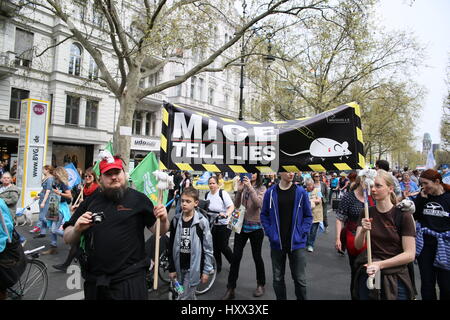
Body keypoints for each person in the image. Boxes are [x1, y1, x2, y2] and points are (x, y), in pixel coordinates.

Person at [63, 154, 169, 300]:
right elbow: (67, 237)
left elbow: (159, 230)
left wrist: (163, 220)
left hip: (130, 280)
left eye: (117, 172)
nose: (114, 177)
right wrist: (76, 229)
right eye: (108, 174)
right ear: (100, 179)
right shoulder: (90, 202)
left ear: (124, 174)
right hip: (96, 282)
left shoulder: (139, 199)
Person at [354, 169, 416, 300]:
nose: (373, 190)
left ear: (390, 188)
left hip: (396, 277)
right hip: (371, 273)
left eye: (378, 185)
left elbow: (410, 254)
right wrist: (363, 231)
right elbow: (358, 245)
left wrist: (380, 265)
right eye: (371, 186)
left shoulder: (403, 215)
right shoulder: (366, 212)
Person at [260, 172, 313, 300]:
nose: (291, 173)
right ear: (280, 173)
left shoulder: (301, 192)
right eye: (288, 170)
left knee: (300, 280)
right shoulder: (271, 192)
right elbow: (264, 215)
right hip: (277, 243)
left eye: (293, 171)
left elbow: (308, 216)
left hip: (297, 243)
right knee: (278, 279)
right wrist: (270, 232)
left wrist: (302, 232)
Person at [222, 173, 267, 300]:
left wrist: (250, 188)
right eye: (249, 172)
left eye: (254, 172)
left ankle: (260, 284)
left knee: (257, 256)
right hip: (240, 226)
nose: (251, 175)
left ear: (258, 174)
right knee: (236, 258)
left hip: (256, 227)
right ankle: (231, 288)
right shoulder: (243, 186)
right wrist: (239, 191)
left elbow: (259, 204)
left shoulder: (262, 188)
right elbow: (236, 206)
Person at [168, 187, 214, 300]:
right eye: (182, 201)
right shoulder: (175, 220)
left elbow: (208, 248)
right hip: (179, 268)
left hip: (193, 269)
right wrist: (171, 268)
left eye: (188, 201)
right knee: (181, 292)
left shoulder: (202, 222)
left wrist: (206, 271)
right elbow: (170, 246)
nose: (184, 204)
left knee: (183, 297)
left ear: (196, 203)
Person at [53, 167, 100, 272]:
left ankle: (72, 263)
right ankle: (69, 263)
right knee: (77, 243)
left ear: (94, 177)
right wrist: (78, 206)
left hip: (91, 219)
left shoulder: (97, 189)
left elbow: (94, 204)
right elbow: (85, 203)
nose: (87, 178)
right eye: (85, 176)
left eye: (89, 176)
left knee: (81, 243)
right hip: (83, 217)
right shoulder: (85, 188)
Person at [413, 169, 450, 300]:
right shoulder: (422, 196)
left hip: (445, 246)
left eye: (425, 183)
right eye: (421, 183)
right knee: (427, 283)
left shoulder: (448, 196)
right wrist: (421, 201)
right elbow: (415, 216)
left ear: (437, 182)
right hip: (426, 246)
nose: (423, 187)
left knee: (446, 285)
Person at [335, 175, 373, 299]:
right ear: (359, 181)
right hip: (354, 237)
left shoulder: (373, 196)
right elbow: (340, 218)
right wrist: (338, 238)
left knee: (373, 272)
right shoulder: (349, 197)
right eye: (364, 180)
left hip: (373, 239)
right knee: (357, 271)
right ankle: (356, 295)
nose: (367, 183)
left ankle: (372, 295)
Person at [205, 176, 234, 273]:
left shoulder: (222, 193)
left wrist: (226, 214)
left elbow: (231, 206)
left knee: (223, 246)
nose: (211, 185)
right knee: (215, 246)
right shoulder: (207, 195)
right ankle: (217, 266)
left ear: (217, 184)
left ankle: (234, 263)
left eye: (213, 183)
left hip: (225, 223)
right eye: (210, 183)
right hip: (213, 224)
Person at [41, 166, 72, 255]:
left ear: (59, 174)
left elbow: (69, 196)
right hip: (53, 204)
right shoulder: (55, 182)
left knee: (54, 229)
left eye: (55, 174)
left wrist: (59, 193)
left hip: (60, 207)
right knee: (51, 227)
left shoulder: (63, 183)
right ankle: (53, 247)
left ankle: (72, 239)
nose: (54, 175)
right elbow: (48, 191)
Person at [31, 165, 54, 236]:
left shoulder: (50, 178)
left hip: (46, 199)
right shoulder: (46, 178)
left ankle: (53, 226)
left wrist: (43, 202)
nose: (42, 171)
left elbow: (48, 191)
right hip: (42, 197)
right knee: (42, 215)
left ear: (47, 170)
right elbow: (44, 189)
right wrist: (38, 195)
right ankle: (42, 232)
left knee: (42, 216)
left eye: (43, 169)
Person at [305, 178, 322, 253]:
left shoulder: (318, 191)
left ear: (313, 185)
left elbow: (319, 200)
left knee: (313, 231)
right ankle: (306, 243)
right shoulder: (304, 192)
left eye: (310, 185)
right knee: (307, 231)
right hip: (307, 215)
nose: (309, 186)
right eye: (307, 185)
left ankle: (310, 245)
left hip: (316, 214)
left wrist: (311, 201)